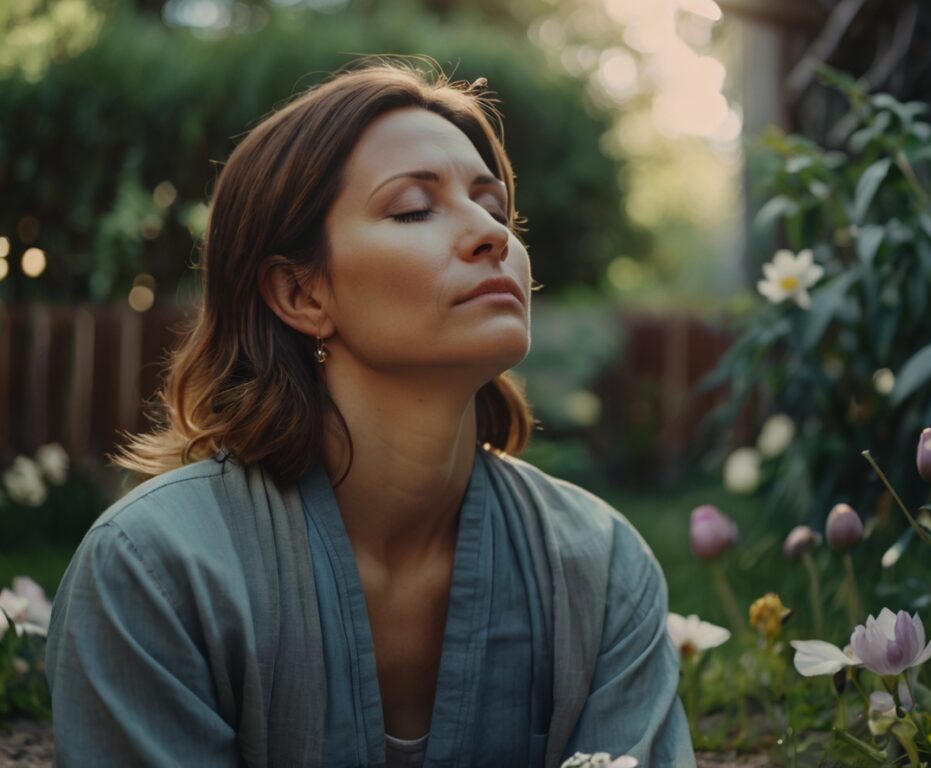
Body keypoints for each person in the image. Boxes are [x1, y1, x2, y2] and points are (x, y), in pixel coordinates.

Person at [45, 61, 696, 767]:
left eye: (496, 209)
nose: (491, 236)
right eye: (415, 208)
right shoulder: (157, 574)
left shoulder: (599, 571)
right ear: (301, 294)